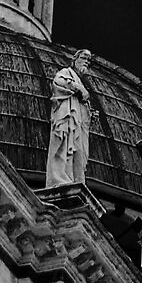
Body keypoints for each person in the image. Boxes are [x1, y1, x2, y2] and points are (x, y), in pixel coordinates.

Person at [46, 51, 92, 187]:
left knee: (78, 150)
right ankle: (60, 177)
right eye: (84, 58)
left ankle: (74, 178)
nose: (86, 62)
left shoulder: (78, 79)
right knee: (63, 145)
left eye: (89, 60)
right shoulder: (66, 72)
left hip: (76, 123)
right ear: (74, 59)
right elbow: (58, 81)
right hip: (66, 118)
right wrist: (77, 87)